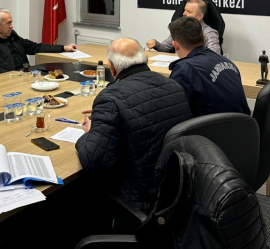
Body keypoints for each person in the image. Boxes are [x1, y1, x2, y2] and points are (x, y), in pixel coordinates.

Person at [75, 38, 192, 213]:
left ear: (112, 67)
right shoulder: (174, 86)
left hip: (139, 199)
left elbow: (94, 161)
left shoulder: (110, 98)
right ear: (145, 58)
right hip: (176, 191)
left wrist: (90, 133)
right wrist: (109, 116)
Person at [168, 17, 249, 118]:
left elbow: (171, 109)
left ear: (175, 45)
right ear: (204, 38)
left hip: (212, 127)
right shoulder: (227, 62)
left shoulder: (184, 69)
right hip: (245, 125)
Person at [0, 8, 77, 76]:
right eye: (8, 23)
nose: (12, 26)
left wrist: (63, 48)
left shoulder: (12, 36)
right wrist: (10, 74)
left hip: (24, 75)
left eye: (11, 23)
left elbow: (35, 47)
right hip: (5, 80)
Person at [146, 0, 222, 55]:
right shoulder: (179, 28)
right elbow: (165, 48)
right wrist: (156, 44)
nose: (184, 14)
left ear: (200, 16)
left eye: (189, 11)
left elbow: (215, 55)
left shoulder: (209, 32)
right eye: (185, 10)